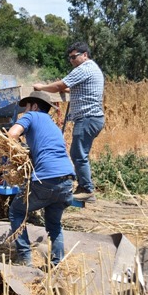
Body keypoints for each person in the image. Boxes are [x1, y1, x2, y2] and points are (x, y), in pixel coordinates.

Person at [7, 91, 75, 268]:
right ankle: (56, 265)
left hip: (46, 179)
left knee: (16, 212)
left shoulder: (32, 116)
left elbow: (12, 134)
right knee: (54, 225)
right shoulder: (52, 125)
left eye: (27, 106)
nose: (25, 111)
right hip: (67, 179)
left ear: (35, 106)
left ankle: (24, 258)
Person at [33, 41, 104, 202]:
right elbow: (71, 88)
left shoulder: (84, 68)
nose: (72, 60)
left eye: (74, 57)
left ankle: (86, 190)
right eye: (70, 58)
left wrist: (41, 88)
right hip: (92, 118)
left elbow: (60, 85)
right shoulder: (92, 68)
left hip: (87, 118)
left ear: (84, 55)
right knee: (79, 153)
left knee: (78, 154)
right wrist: (60, 88)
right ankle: (82, 187)